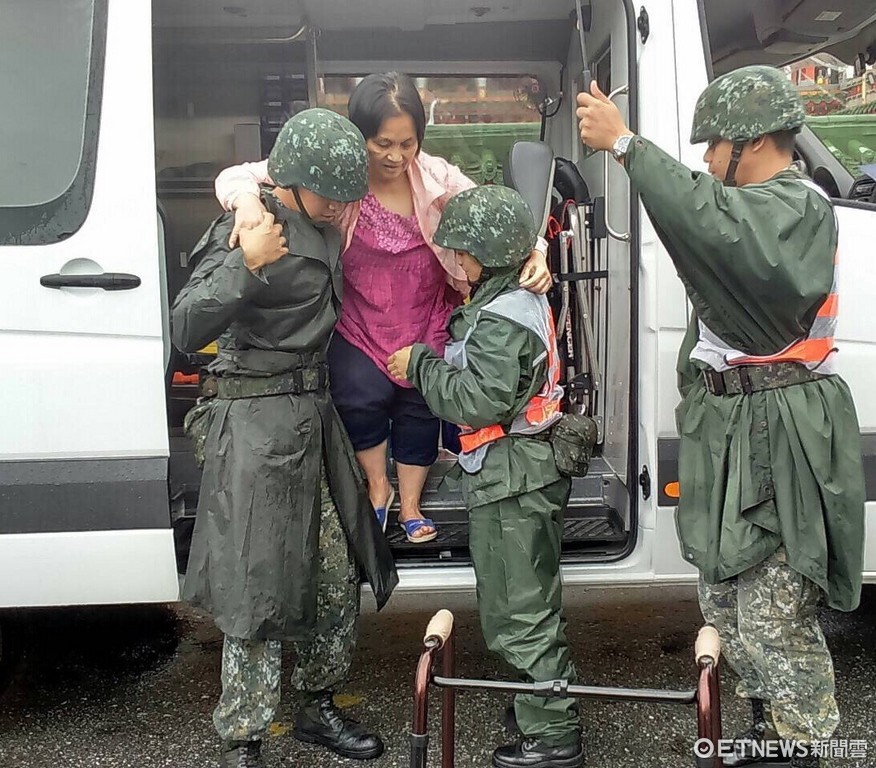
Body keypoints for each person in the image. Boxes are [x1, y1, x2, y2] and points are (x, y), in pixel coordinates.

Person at [577, 67, 865, 768]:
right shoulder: (756, 206)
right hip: (735, 425)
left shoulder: (796, 207)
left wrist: (627, 146)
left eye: (713, 145)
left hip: (781, 431)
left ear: (756, 141)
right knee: (727, 603)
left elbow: (715, 224)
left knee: (774, 611)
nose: (706, 159)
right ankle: (769, 726)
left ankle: (804, 742)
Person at [214, 72, 553, 543]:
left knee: (421, 403)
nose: (396, 156)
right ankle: (378, 487)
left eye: (407, 143)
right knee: (359, 399)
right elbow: (238, 176)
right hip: (360, 317)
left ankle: (411, 504)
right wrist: (247, 203)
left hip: (424, 312)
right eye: (383, 144)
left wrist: (536, 250)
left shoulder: (435, 177)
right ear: (361, 137)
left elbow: (497, 215)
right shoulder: (338, 169)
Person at [171, 108, 398, 768]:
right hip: (256, 424)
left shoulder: (324, 220)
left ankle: (317, 706)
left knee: (336, 572)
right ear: (293, 181)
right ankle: (243, 736)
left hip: (313, 417)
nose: (341, 205)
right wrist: (246, 262)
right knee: (258, 585)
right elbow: (186, 326)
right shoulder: (251, 224)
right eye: (330, 192)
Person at [388, 185, 584, 768]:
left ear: (492, 254)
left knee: (520, 612)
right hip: (519, 472)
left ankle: (553, 736)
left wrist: (420, 364)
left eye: (465, 253)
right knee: (525, 601)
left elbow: (476, 402)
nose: (458, 261)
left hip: (512, 479)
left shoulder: (503, 318)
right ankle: (539, 705)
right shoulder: (512, 298)